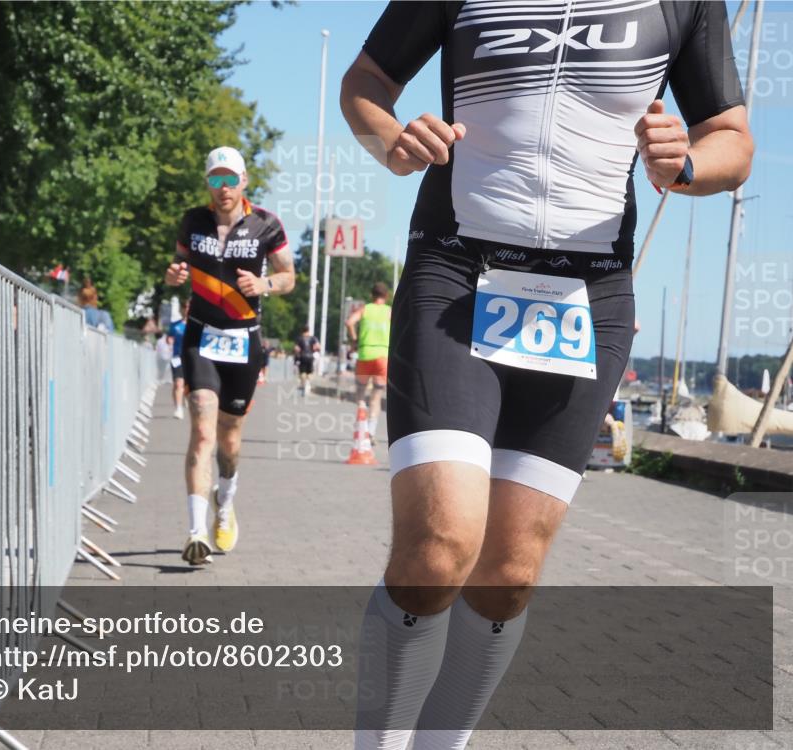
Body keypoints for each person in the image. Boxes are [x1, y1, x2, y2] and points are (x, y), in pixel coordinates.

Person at [341, 2, 752, 747]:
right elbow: (366, 81)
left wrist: (685, 163)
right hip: (458, 276)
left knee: (509, 573)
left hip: (586, 299)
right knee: (439, 548)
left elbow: (732, 139)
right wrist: (390, 140)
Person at [164, 146, 295, 565]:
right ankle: (195, 532)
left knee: (229, 439)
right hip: (201, 334)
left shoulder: (266, 225)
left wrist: (266, 286)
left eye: (230, 180)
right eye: (215, 180)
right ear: (208, 183)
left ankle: (226, 501)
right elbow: (178, 265)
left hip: (244, 340)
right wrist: (174, 274)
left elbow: (288, 276)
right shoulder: (193, 221)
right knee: (202, 430)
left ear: (244, 181)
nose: (223, 188)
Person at [346, 281, 391, 444]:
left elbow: (349, 322)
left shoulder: (365, 309)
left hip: (364, 354)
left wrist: (354, 339)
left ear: (372, 295)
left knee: (361, 393)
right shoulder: (389, 312)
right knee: (376, 396)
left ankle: (361, 423)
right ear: (386, 296)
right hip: (383, 357)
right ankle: (370, 432)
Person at [167, 300, 189, 419]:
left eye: (189, 307)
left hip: (191, 358)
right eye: (184, 307)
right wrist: (169, 340)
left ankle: (185, 397)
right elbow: (169, 337)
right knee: (178, 383)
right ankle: (178, 408)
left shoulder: (196, 325)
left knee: (187, 384)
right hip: (177, 357)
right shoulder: (175, 325)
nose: (187, 309)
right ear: (181, 309)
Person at [293, 326, 320, 395]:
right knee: (310, 372)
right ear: (308, 330)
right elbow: (318, 346)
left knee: (302, 372)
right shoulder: (313, 338)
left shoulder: (299, 338)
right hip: (310, 357)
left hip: (302, 357)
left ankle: (303, 384)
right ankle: (308, 383)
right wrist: (314, 349)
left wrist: (297, 354)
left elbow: (296, 348)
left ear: (302, 331)